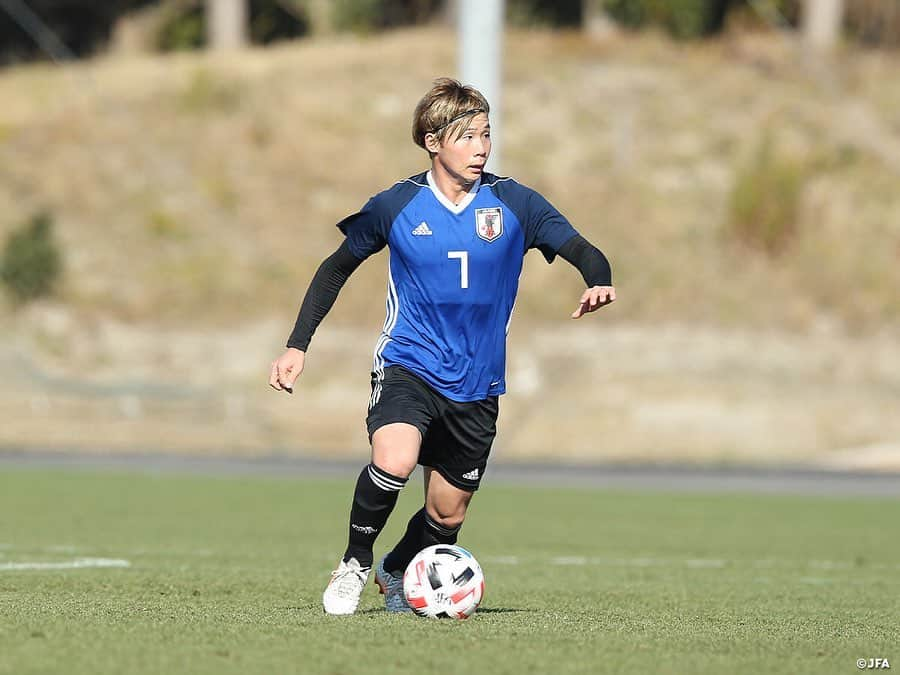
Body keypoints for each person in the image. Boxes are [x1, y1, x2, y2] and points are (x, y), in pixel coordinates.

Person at [269, 78, 615, 615]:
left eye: (486, 135)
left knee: (446, 517)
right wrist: (298, 345)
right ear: (433, 142)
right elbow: (335, 268)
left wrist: (598, 277)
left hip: (477, 381)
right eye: (467, 136)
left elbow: (582, 248)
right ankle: (356, 562)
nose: (481, 147)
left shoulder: (514, 203)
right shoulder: (397, 205)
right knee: (396, 457)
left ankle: (395, 566)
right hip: (409, 362)